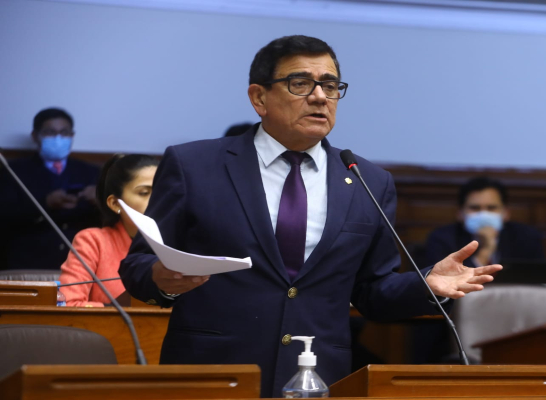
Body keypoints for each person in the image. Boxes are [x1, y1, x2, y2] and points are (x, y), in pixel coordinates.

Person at [119, 35, 501, 397]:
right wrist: (162, 278)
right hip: (212, 374)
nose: (320, 96)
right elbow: (138, 264)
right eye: (300, 83)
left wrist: (424, 285)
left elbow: (371, 291)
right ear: (259, 97)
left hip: (316, 377)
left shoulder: (367, 180)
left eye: (330, 86)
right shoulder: (194, 165)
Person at [0, 108, 100, 270]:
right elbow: (5, 215)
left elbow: (108, 222)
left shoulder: (92, 172)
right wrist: (45, 203)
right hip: (29, 262)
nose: (58, 138)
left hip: (81, 261)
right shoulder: (13, 171)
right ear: (35, 136)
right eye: (50, 132)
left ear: (72, 135)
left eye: (64, 132)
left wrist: (100, 200)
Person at [59, 154, 158, 307]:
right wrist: (116, 308)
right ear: (115, 204)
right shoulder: (93, 241)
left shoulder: (181, 241)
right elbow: (68, 304)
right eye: (144, 193)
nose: (158, 200)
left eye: (162, 191)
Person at [425, 176, 545, 268]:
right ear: (460, 213)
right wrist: (486, 250)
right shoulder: (442, 239)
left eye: (491, 208)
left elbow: (536, 280)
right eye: (475, 208)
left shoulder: (527, 237)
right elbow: (443, 283)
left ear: (506, 213)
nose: (483, 214)